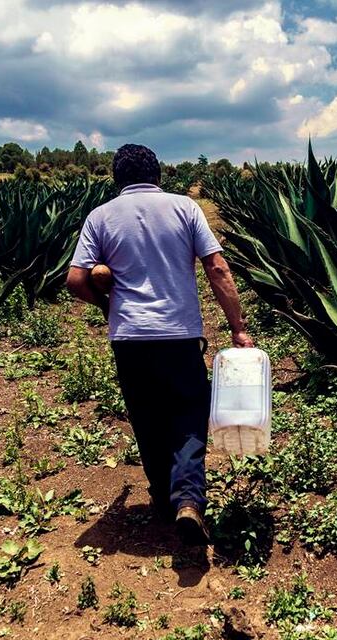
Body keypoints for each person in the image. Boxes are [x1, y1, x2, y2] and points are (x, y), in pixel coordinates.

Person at [66, 143, 253, 545]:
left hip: (130, 337)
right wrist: (237, 327)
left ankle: (162, 500)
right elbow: (217, 267)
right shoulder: (185, 208)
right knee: (188, 414)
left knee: (147, 417)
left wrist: (107, 304)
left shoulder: (100, 217)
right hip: (180, 334)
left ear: (117, 178)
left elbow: (76, 280)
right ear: (159, 175)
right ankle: (188, 498)